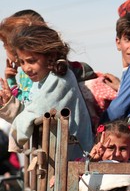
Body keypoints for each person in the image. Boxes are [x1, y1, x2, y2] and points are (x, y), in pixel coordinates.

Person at [1, 24, 93, 159]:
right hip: (59, 160)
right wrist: (9, 104)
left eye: (31, 61)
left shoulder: (60, 79)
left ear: (51, 56)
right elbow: (31, 112)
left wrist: (15, 136)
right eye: (22, 62)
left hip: (74, 160)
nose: (26, 68)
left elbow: (34, 113)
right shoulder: (40, 81)